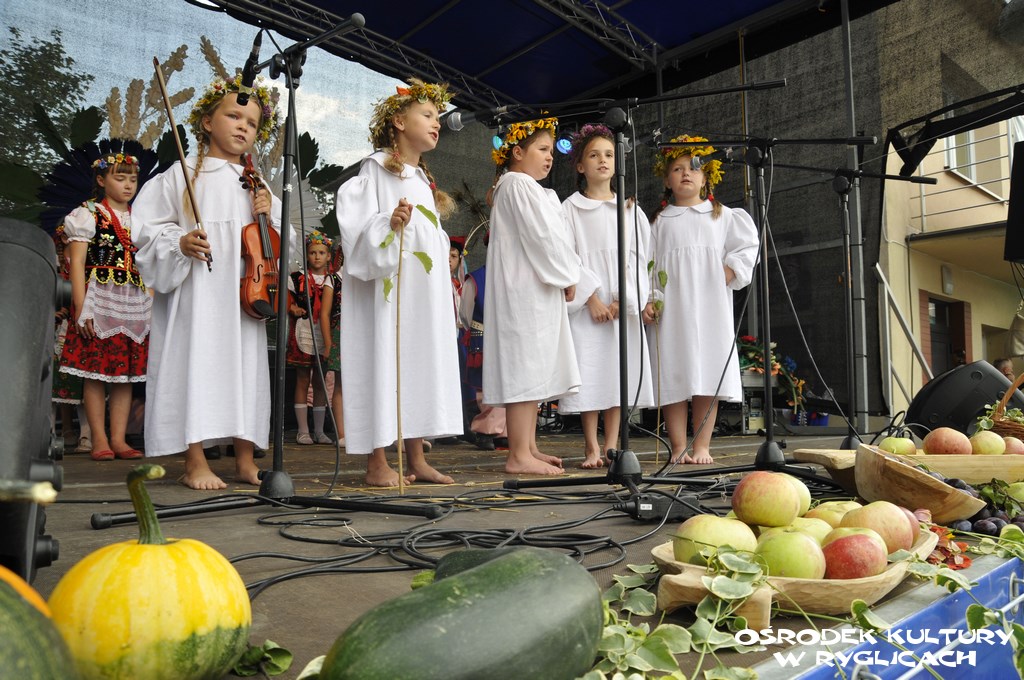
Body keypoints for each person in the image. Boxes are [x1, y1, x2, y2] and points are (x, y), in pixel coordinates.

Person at [132, 75, 283, 490]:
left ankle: (245, 459)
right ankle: (194, 460)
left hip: (242, 292)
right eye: (234, 116)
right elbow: (145, 230)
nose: (243, 127)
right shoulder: (181, 176)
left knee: (245, 370)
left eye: (251, 123)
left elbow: (279, 244)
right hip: (197, 292)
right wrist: (179, 242)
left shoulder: (256, 183)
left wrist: (269, 213)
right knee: (194, 365)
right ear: (206, 122)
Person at [335, 79, 462, 486]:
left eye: (438, 117)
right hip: (386, 294)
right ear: (399, 122)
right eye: (427, 115)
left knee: (416, 360)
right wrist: (387, 225)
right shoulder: (374, 171)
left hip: (419, 294)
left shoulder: (422, 179)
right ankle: (376, 462)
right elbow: (357, 235)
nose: (437, 123)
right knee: (383, 360)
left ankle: (416, 458)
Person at [484, 116, 594, 475]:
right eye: (542, 149)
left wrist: (567, 272)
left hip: (535, 287)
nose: (549, 157)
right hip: (525, 290)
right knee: (525, 366)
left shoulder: (526, 187)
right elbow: (542, 237)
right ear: (517, 152)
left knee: (534, 366)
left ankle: (528, 446)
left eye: (551, 151)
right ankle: (518, 454)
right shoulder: (517, 184)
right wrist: (567, 273)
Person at [644, 135, 759, 465]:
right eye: (677, 169)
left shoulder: (722, 215)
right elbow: (646, 264)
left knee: (707, 371)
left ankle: (702, 446)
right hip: (672, 306)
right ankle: (678, 445)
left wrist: (731, 269)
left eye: (693, 168)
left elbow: (747, 246)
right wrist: (650, 298)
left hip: (709, 306)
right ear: (667, 180)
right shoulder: (657, 222)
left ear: (706, 177)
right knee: (674, 372)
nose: (686, 174)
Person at [559, 124, 654, 468]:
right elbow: (567, 256)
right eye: (594, 155)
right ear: (580, 165)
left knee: (617, 375)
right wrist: (592, 299)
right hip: (588, 309)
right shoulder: (569, 209)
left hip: (620, 308)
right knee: (589, 372)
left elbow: (638, 258)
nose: (603, 160)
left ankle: (612, 445)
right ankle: (591, 446)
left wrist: (622, 300)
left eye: (609, 155)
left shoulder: (629, 210)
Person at [58, 153, 150, 462]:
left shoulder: (142, 218)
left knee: (125, 375)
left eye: (133, 179)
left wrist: (149, 299)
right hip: (99, 299)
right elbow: (77, 264)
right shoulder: (87, 214)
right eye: (120, 178)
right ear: (101, 180)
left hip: (133, 302)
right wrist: (81, 307)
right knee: (95, 372)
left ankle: (119, 439)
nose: (128, 185)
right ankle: (98, 437)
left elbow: (149, 264)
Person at [459, 237, 508, 451]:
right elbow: (465, 314)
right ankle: (485, 429)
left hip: (510, 338)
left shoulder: (514, 275)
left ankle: (504, 431)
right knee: (484, 385)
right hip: (484, 338)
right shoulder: (476, 279)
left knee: (510, 383)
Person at [287, 230, 332, 445]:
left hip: (325, 334)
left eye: (321, 252)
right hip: (303, 331)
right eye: (313, 252)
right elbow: (286, 300)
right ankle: (303, 430)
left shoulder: (334, 280)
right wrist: (292, 308)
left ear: (329, 256)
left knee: (320, 382)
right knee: (303, 379)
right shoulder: (297, 278)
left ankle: (320, 431)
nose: (317, 256)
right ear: (307, 254)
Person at [319, 242, 344, 447]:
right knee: (341, 384)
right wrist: (328, 343)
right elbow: (325, 314)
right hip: (340, 334)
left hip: (362, 333)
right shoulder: (334, 279)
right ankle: (342, 434)